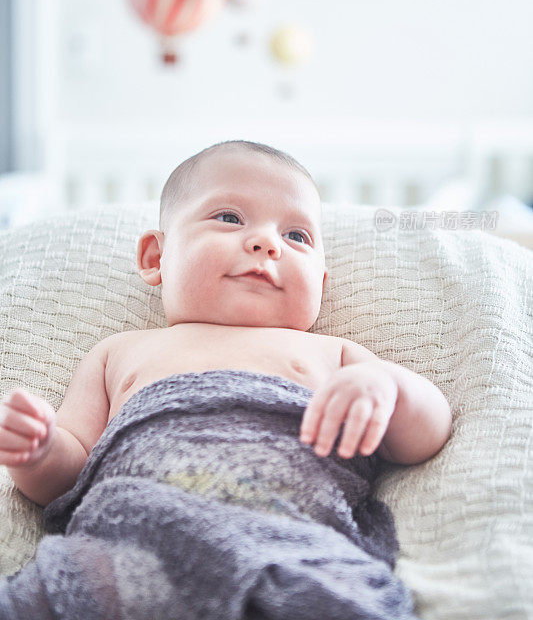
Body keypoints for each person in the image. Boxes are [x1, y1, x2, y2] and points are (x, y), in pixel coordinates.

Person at [1, 139, 452, 510]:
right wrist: (38, 453)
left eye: (296, 236)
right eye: (229, 218)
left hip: (290, 529)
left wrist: (387, 387)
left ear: (321, 280)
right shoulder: (117, 353)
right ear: (157, 257)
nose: (266, 242)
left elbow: (426, 437)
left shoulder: (335, 354)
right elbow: (69, 472)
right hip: (137, 525)